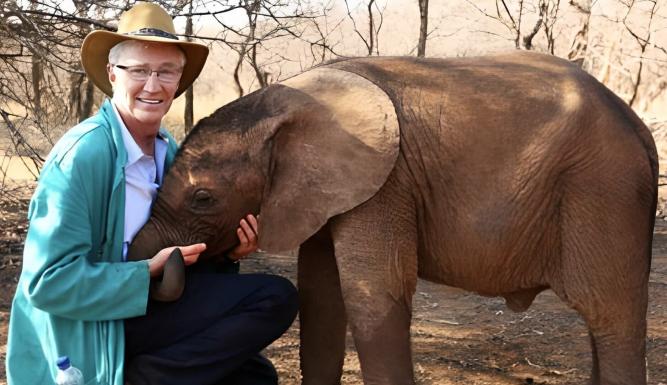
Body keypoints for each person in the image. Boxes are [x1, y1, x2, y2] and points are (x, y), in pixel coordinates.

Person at [6, 3, 298, 385]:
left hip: (143, 308)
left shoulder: (168, 150)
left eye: (166, 72)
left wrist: (227, 254)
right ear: (112, 74)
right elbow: (47, 282)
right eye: (139, 70)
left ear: (179, 80)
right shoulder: (84, 155)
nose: (153, 84)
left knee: (254, 377)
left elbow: (176, 253)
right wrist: (145, 272)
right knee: (273, 296)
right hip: (91, 328)